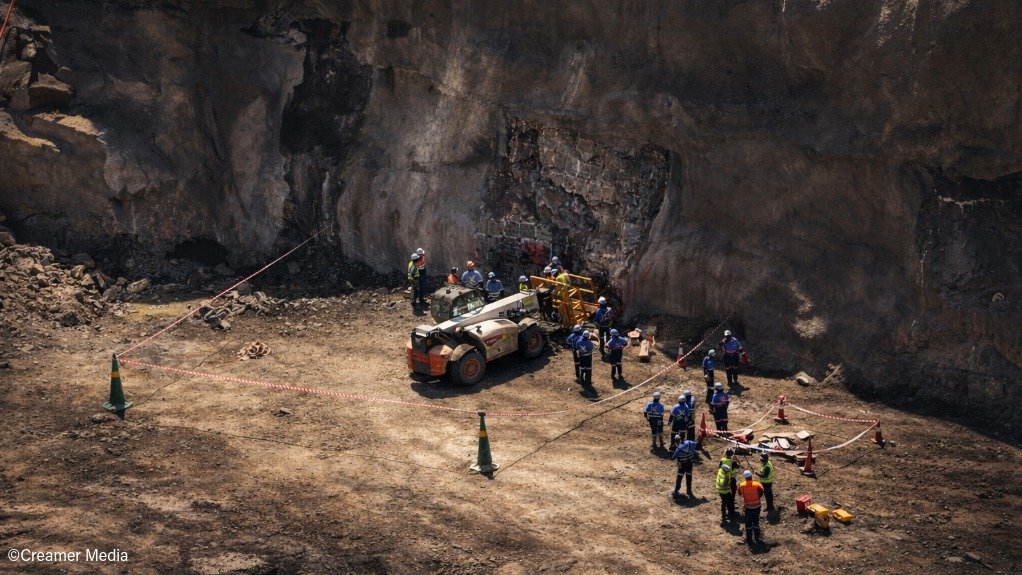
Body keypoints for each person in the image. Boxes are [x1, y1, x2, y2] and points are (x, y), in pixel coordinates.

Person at [737, 470, 765, 544]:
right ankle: (757, 535)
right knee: (756, 521)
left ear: (745, 478)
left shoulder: (742, 485)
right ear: (751, 476)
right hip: (757, 506)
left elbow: (739, 493)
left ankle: (749, 538)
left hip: (748, 507)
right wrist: (758, 497)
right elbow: (762, 490)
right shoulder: (757, 484)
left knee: (748, 523)